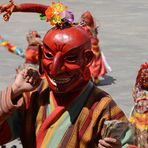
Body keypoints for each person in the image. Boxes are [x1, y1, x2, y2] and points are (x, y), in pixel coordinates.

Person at [0, 1, 132, 147]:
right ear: (40, 54)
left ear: (87, 59)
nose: (56, 69)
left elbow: (128, 144)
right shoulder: (33, 95)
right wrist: (14, 91)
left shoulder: (102, 106)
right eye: (49, 56)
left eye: (70, 58)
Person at [80, 11, 112, 85]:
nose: (83, 20)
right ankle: (95, 78)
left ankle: (92, 78)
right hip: (95, 46)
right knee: (94, 63)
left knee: (91, 63)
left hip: (91, 47)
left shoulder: (86, 28)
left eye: (84, 19)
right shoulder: (92, 27)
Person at [128, 62, 148, 148]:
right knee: (138, 139)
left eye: (146, 79)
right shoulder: (137, 89)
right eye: (143, 78)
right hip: (137, 120)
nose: (144, 80)